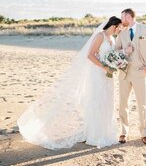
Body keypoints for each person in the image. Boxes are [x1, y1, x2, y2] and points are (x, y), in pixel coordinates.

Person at [17, 16, 122, 150]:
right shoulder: (100, 36)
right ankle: (95, 134)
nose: (121, 29)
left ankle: (104, 131)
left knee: (107, 101)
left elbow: (111, 55)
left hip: (108, 75)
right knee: (96, 101)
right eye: (120, 27)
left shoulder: (112, 39)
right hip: (98, 73)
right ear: (114, 26)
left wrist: (116, 63)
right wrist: (105, 67)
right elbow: (90, 55)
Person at [116, 8, 146, 145]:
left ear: (128, 17)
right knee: (123, 104)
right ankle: (124, 131)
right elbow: (116, 50)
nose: (121, 20)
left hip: (141, 72)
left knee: (143, 104)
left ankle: (145, 133)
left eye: (122, 17)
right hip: (124, 73)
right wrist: (124, 51)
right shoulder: (121, 32)